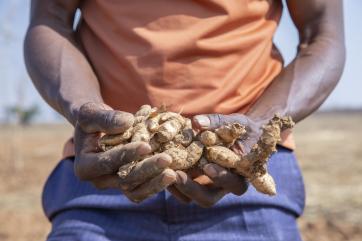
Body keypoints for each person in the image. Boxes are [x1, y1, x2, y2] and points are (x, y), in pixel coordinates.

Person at [24, 0, 345, 240]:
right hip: (105, 173)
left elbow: (322, 33)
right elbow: (50, 19)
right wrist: (83, 109)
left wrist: (263, 125)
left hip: (245, 174)